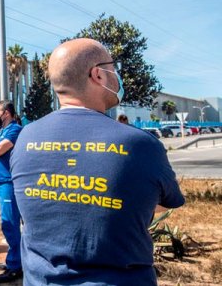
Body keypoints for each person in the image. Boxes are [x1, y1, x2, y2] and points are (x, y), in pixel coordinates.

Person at [10, 38, 185, 285]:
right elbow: (163, 204)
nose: (117, 77)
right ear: (98, 75)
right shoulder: (140, 144)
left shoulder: (26, 137)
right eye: (113, 69)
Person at [0, 100, 23, 283]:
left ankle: (16, 266)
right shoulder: (1, 131)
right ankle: (14, 259)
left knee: (10, 223)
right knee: (7, 224)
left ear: (7, 113)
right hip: (0, 181)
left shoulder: (14, 129)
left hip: (9, 181)